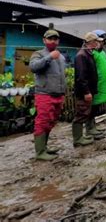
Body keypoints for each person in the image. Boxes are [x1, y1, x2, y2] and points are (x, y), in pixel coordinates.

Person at [29, 29, 66, 161]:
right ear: (44, 40)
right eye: (50, 39)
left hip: (58, 94)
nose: (53, 41)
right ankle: (39, 152)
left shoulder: (61, 57)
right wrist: (50, 57)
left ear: (58, 41)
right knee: (43, 121)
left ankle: (44, 148)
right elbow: (33, 67)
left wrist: (63, 92)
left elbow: (61, 76)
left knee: (51, 121)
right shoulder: (38, 54)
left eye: (55, 39)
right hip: (44, 94)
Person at [72, 32, 102, 147]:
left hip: (89, 90)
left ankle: (80, 137)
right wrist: (86, 92)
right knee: (81, 113)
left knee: (85, 112)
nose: (98, 43)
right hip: (84, 91)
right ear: (90, 42)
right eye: (96, 41)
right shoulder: (81, 55)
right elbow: (81, 76)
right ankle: (78, 139)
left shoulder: (88, 54)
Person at [86, 29, 106, 138]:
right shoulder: (92, 53)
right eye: (101, 41)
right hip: (96, 84)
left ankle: (94, 126)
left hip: (103, 84)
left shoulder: (102, 53)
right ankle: (89, 128)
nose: (103, 43)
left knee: (97, 107)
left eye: (103, 41)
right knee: (92, 108)